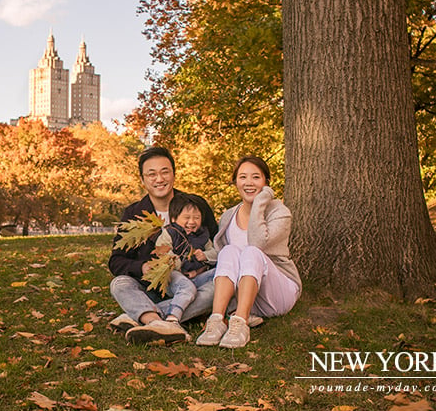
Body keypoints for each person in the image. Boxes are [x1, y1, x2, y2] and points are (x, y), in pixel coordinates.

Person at [108, 147, 218, 344]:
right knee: (119, 284)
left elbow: (216, 244)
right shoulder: (134, 214)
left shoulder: (195, 205)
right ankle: (162, 322)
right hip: (152, 287)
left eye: (165, 172)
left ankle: (142, 317)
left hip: (193, 282)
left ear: (173, 174)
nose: (159, 178)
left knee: (217, 289)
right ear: (143, 180)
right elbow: (116, 262)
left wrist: (202, 262)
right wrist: (142, 267)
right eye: (152, 174)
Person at [196, 156, 301, 348]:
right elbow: (223, 254)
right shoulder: (229, 215)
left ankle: (240, 323)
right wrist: (200, 259)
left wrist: (260, 203)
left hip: (278, 293)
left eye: (256, 177)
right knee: (229, 250)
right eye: (243, 177)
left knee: (251, 252)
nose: (249, 183)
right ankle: (217, 321)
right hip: (246, 296)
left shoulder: (279, 211)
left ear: (266, 182)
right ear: (235, 181)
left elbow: (258, 243)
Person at [145, 192, 217, 330]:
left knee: (219, 275)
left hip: (195, 276)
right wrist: (180, 262)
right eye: (187, 217)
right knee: (187, 288)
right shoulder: (169, 233)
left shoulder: (202, 235)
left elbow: (215, 252)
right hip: (174, 276)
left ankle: (147, 315)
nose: (192, 222)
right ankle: (173, 318)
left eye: (196, 218)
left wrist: (206, 255)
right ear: (173, 218)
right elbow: (163, 254)